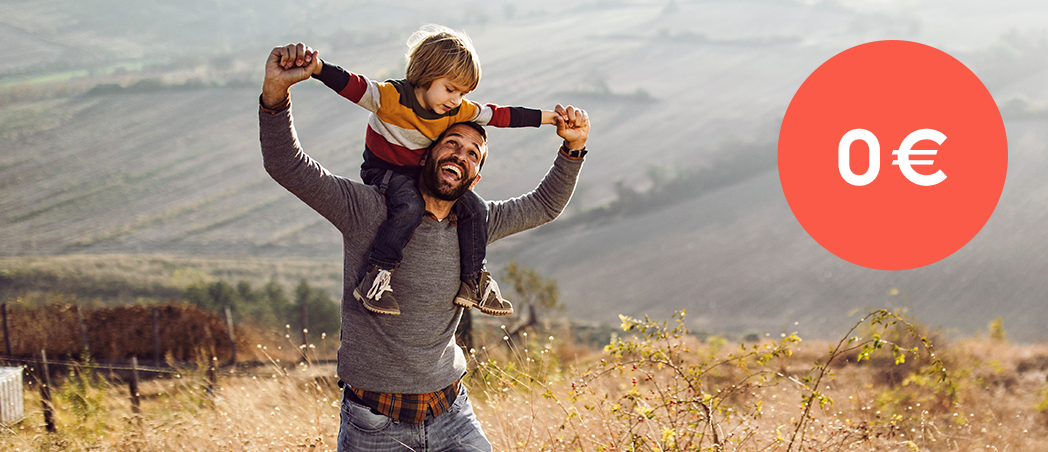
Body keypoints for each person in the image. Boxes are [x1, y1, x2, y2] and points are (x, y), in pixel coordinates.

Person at [260, 43, 590, 451]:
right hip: (374, 424)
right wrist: (276, 95)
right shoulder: (367, 210)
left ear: (476, 177)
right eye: (451, 143)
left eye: (473, 154)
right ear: (426, 152)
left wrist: (572, 147)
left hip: (452, 413)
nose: (460, 155)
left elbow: (543, 204)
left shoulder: (476, 223)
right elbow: (286, 165)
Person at [304, 25, 563, 317]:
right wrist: (317, 68)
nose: (456, 99)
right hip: (384, 172)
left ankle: (473, 280)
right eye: (450, 89)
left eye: (463, 92)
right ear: (425, 75)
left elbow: (502, 115)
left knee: (475, 208)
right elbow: (352, 85)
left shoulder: (456, 110)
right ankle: (377, 275)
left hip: (419, 173)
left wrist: (551, 118)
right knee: (410, 206)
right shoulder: (390, 98)